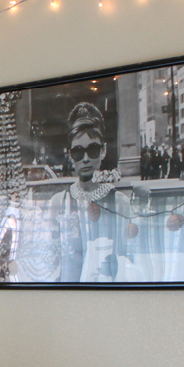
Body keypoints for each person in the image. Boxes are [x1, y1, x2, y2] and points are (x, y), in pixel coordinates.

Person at [46, 102, 139, 282]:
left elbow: (127, 255)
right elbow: (53, 259)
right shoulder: (59, 202)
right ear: (70, 155)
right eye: (78, 152)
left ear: (103, 151)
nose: (86, 159)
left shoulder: (119, 202)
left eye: (93, 150)